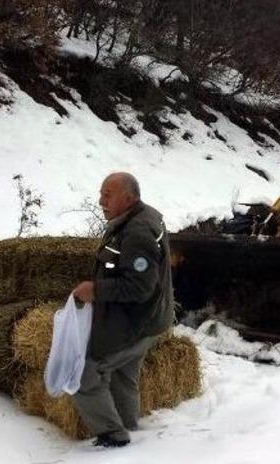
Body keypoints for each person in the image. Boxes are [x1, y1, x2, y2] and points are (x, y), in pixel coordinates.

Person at [71, 172, 175, 448]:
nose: (100, 201)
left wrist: (96, 290)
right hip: (148, 316)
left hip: (139, 322)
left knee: (84, 374)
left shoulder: (137, 232)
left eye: (107, 195)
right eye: (101, 194)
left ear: (128, 199)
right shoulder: (137, 218)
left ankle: (113, 437)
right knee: (123, 373)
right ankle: (130, 427)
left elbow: (140, 287)